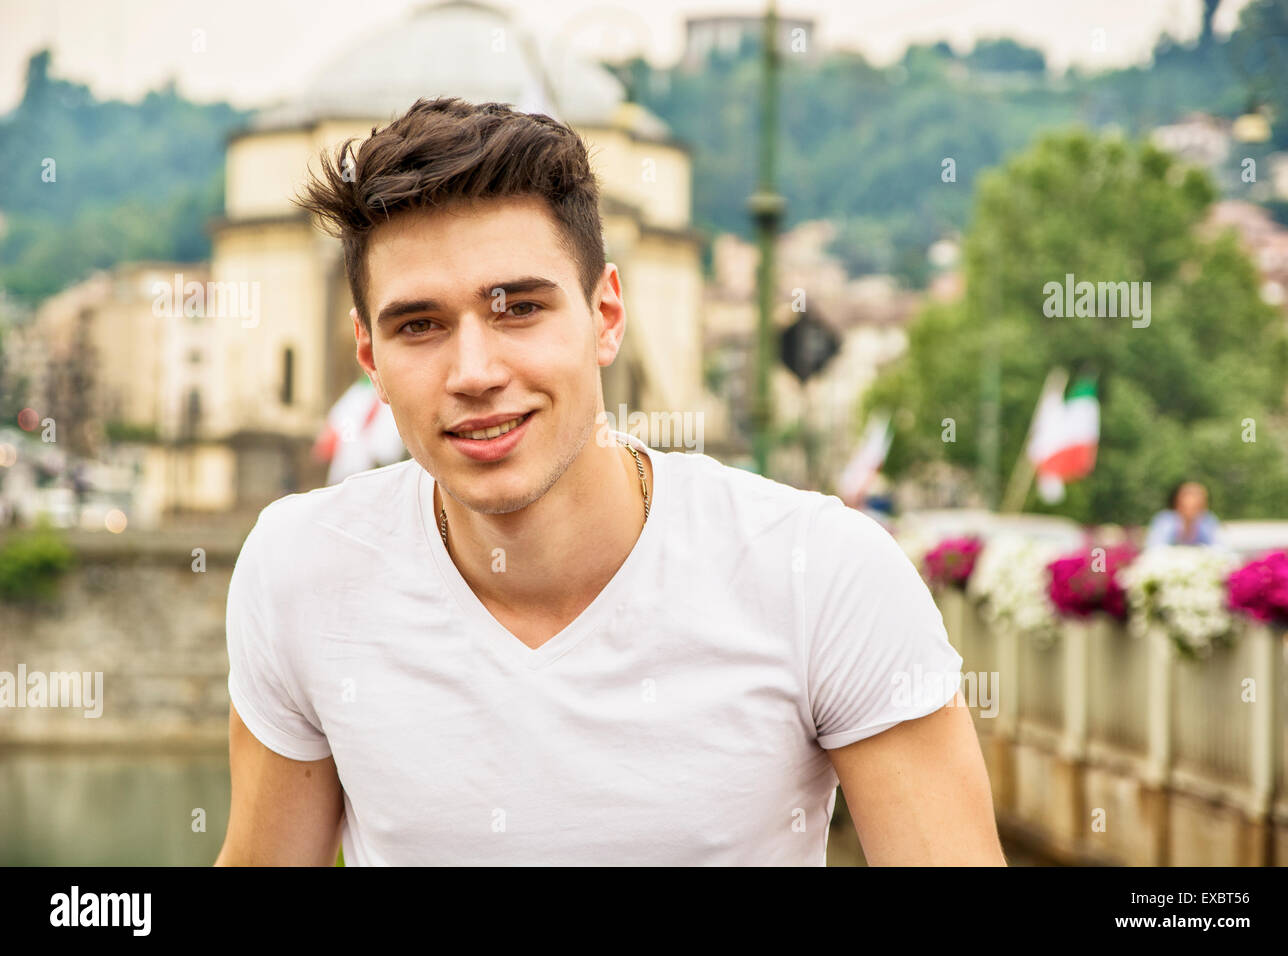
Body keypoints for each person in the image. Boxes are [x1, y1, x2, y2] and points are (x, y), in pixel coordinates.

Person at [215, 98, 1004, 866]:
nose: (475, 373)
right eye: (418, 325)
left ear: (606, 314)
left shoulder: (823, 573)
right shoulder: (301, 569)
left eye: (518, 308)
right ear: (369, 356)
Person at [1145, 481, 1222, 548]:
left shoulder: (1208, 520)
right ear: (1177, 503)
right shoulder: (1165, 520)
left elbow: (1219, 546)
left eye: (1198, 506)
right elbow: (1154, 547)